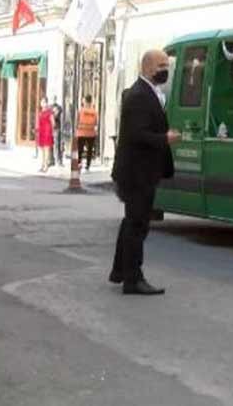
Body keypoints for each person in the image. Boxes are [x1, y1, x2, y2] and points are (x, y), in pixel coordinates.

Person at [109, 50, 180, 295]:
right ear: (148, 67)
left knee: (132, 222)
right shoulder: (139, 95)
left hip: (141, 171)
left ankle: (120, 271)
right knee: (137, 225)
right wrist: (165, 138)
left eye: (166, 65)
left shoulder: (148, 92)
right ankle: (133, 278)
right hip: (136, 173)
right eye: (161, 65)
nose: (165, 69)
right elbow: (138, 134)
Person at [76, 95, 99, 172]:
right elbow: (96, 122)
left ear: (85, 101)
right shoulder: (94, 111)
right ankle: (88, 165)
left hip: (82, 132)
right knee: (89, 150)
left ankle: (79, 163)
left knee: (80, 149)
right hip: (91, 133)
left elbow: (77, 120)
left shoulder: (81, 110)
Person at [36, 98, 54, 173]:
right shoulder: (40, 113)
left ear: (47, 103)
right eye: (41, 102)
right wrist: (37, 130)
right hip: (41, 132)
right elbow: (38, 122)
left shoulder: (50, 112)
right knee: (42, 150)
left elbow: (53, 123)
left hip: (47, 132)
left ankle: (46, 166)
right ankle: (42, 165)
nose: (42, 103)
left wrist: (51, 130)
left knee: (46, 150)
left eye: (44, 102)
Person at [51, 96, 64, 167]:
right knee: (51, 144)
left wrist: (54, 113)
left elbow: (57, 115)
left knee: (57, 144)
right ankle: (51, 160)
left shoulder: (59, 107)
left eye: (55, 98)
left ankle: (58, 160)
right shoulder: (50, 107)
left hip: (57, 128)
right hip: (51, 128)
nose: (54, 100)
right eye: (53, 99)